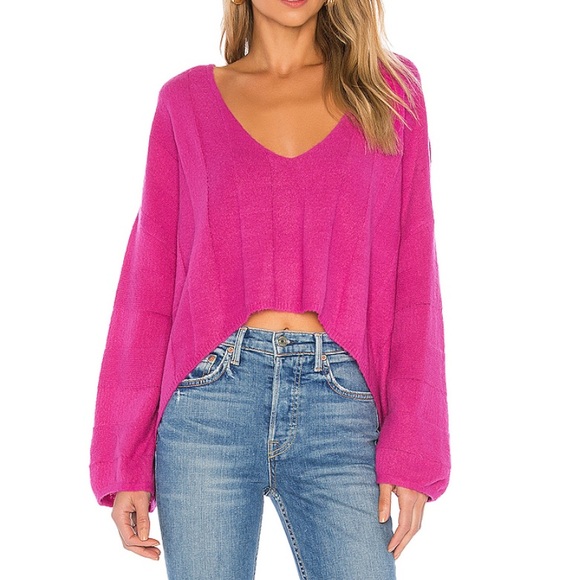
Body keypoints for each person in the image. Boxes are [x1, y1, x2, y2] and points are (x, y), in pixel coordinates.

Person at [89, 0, 451, 578]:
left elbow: (415, 282)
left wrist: (413, 446)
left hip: (342, 407)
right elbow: (149, 284)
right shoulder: (185, 103)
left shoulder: (389, 93)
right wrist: (125, 461)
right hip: (208, 404)